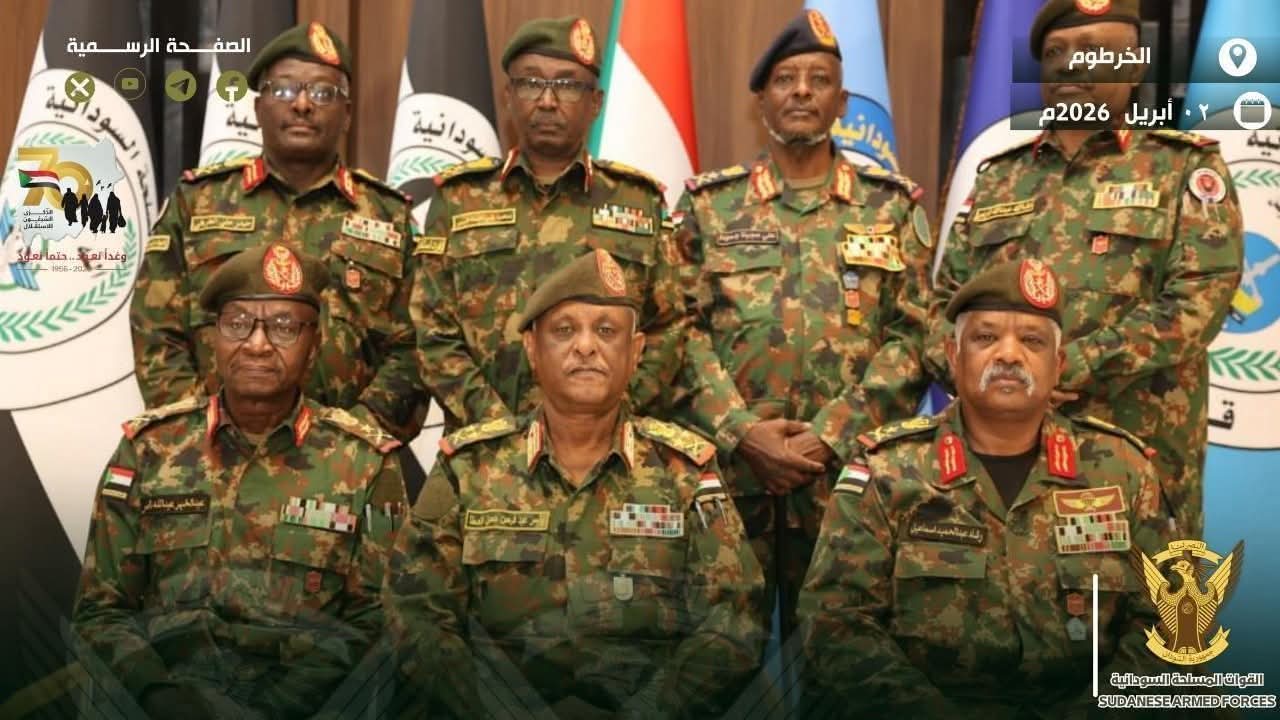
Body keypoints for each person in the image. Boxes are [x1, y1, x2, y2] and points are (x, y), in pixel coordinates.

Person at [386, 250, 764, 719]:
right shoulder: (468, 467)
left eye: (606, 331)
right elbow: (417, 610)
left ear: (636, 351)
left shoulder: (685, 470)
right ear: (531, 348)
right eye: (564, 331)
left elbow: (733, 620)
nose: (586, 347)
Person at [799, 259, 1173, 716]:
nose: (1009, 355)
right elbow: (836, 619)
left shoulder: (1122, 469)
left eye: (1032, 341)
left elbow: (1168, 621)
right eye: (985, 338)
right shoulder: (885, 472)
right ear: (953, 357)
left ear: (1058, 365)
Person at [930, 0, 1244, 539]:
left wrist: (1070, 363)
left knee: (1136, 593)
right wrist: (992, 374)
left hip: (1133, 458)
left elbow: (1199, 299)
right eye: (1056, 52)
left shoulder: (1182, 168)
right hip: (1000, 460)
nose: (1071, 64)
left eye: (1095, 51)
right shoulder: (999, 178)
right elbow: (944, 306)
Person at [671, 9, 932, 639]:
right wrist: (743, 433)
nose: (802, 92)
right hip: (730, 475)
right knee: (720, 651)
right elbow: (675, 330)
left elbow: (916, 334)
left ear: (842, 102)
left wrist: (830, 435)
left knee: (843, 653)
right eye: (785, 79)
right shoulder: (709, 207)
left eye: (819, 80)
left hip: (850, 480)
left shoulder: (891, 207)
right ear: (761, 99)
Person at [72, 243, 408, 719]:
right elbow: (100, 610)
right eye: (237, 324)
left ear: (314, 345)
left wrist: (276, 709)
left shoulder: (365, 463)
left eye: (284, 327)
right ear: (214, 339)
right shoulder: (149, 451)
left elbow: (379, 620)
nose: (257, 344)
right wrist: (161, 697)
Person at [129, 22, 428, 458]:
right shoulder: (197, 203)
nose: (303, 105)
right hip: (211, 459)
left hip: (347, 465)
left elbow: (416, 347)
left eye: (323, 93)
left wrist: (351, 440)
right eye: (285, 90)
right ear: (258, 107)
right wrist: (201, 434)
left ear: (347, 113)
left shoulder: (390, 217)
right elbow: (156, 330)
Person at [411, 15, 686, 435]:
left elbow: (666, 328)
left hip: (605, 449)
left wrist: (600, 417)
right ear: (508, 96)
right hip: (482, 450)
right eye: (530, 83)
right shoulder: (460, 198)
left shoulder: (638, 202)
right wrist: (498, 427)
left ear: (595, 103)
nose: (547, 101)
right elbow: (431, 329)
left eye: (567, 86)